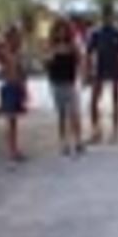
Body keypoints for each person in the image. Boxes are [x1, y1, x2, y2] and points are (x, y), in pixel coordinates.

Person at [86, 4, 118, 144]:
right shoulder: (95, 33)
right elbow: (89, 53)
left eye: (109, 16)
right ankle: (96, 130)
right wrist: (87, 71)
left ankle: (115, 131)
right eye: (104, 16)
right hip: (100, 67)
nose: (107, 18)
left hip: (115, 67)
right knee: (94, 101)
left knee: (115, 100)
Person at [46, 18, 85, 156]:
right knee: (61, 114)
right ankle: (64, 142)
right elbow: (46, 63)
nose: (61, 33)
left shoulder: (73, 45)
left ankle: (78, 140)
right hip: (56, 82)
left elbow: (80, 60)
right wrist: (51, 55)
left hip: (70, 82)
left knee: (74, 112)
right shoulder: (51, 46)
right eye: (59, 30)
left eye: (64, 29)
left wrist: (83, 75)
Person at [0, 25, 28, 162]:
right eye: (14, 36)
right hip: (9, 87)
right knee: (10, 120)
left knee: (14, 121)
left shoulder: (17, 53)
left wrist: (24, 89)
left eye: (17, 37)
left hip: (17, 87)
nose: (16, 39)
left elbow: (22, 73)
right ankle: (11, 150)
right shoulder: (4, 52)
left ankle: (14, 148)